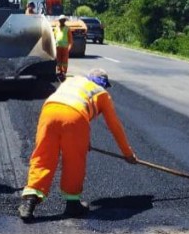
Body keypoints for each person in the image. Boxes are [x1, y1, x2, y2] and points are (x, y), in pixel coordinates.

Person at [19, 68, 137, 221]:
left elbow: (65, 107)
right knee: (74, 161)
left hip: (49, 111)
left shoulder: (72, 80)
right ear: (103, 83)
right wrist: (127, 153)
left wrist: (84, 140)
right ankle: (73, 204)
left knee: (43, 156)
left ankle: (30, 200)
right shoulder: (101, 93)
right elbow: (115, 126)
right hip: (75, 116)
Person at [54, 15, 72, 81]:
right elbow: (54, 37)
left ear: (64, 21)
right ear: (59, 21)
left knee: (64, 61)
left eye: (63, 20)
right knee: (58, 60)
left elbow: (70, 40)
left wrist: (69, 48)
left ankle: (64, 72)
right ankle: (59, 71)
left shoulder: (67, 29)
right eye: (61, 20)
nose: (62, 21)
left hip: (65, 48)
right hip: (58, 47)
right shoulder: (56, 28)